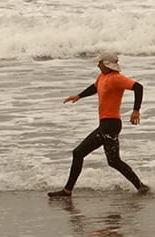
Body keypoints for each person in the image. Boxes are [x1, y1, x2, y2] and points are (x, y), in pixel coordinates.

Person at [48, 52, 149, 197]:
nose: (98, 65)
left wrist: (136, 111)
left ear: (107, 64)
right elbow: (95, 87)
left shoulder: (116, 78)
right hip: (107, 124)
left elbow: (138, 87)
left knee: (78, 153)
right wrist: (79, 96)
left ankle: (67, 190)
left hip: (110, 125)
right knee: (114, 161)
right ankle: (141, 187)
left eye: (100, 63)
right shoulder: (102, 77)